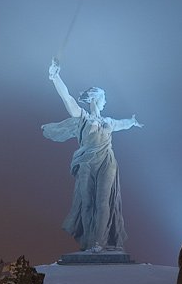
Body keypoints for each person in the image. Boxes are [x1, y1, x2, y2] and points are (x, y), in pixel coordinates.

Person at [41, 58, 142, 251]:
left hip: (106, 161)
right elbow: (67, 98)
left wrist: (132, 121)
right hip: (86, 162)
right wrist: (55, 76)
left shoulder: (108, 122)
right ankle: (88, 242)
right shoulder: (82, 118)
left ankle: (99, 242)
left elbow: (123, 123)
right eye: (104, 99)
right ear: (96, 99)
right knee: (87, 202)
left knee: (103, 201)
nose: (105, 102)